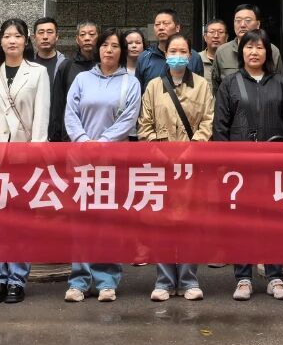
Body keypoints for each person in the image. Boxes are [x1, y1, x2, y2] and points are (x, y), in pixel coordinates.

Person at [213, 27, 283, 301]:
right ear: (242, 52)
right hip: (240, 167)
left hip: (274, 165)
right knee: (242, 221)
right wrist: (224, 163)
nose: (254, 52)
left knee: (274, 221)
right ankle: (243, 278)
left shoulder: (280, 83)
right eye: (249, 47)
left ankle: (275, 277)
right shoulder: (230, 83)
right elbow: (220, 127)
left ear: (268, 53)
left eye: (260, 47)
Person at [0, 18, 50, 304]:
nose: (12, 41)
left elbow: (41, 116)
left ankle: (17, 279)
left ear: (26, 41)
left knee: (20, 220)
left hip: (22, 157)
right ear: (0, 40)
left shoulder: (38, 73)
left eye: (17, 36)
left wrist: (37, 154)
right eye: (7, 36)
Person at [63, 27, 141, 303]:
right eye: (105, 45)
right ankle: (79, 281)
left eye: (115, 46)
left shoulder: (130, 82)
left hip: (113, 161)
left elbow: (128, 118)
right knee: (82, 222)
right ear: (98, 49)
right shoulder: (82, 79)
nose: (109, 50)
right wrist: (84, 141)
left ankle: (107, 280)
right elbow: (70, 113)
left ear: (122, 51)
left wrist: (103, 142)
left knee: (109, 222)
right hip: (82, 160)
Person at [138, 32, 216, 301]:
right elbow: (144, 125)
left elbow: (207, 122)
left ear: (190, 55)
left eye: (183, 51)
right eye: (173, 51)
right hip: (160, 166)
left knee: (190, 224)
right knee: (162, 224)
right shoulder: (153, 86)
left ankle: (189, 280)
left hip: (191, 165)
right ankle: (164, 281)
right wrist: (160, 153)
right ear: (165, 55)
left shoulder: (202, 85)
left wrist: (189, 152)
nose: (178, 56)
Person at [48, 20, 100, 142]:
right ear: (77, 39)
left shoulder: (105, 66)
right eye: (82, 35)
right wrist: (56, 137)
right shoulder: (66, 66)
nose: (87, 38)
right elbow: (58, 105)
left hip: (99, 135)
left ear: (99, 37)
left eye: (92, 34)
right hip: (70, 137)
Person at [212, 4, 283, 84]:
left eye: (248, 20)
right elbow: (216, 85)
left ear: (258, 24)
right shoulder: (222, 51)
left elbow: (279, 83)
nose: (242, 25)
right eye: (238, 20)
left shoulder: (272, 50)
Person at [137, 8, 204, 87]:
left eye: (166, 24)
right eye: (157, 24)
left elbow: (199, 87)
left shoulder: (194, 57)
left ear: (177, 27)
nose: (161, 28)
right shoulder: (144, 57)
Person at [31, 16, 69, 84]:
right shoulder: (28, 63)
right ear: (34, 37)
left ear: (56, 37)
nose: (45, 37)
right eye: (41, 32)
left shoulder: (66, 65)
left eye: (49, 32)